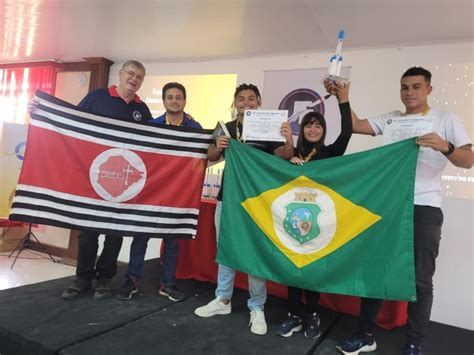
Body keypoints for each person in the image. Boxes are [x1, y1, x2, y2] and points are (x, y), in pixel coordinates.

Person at [325, 67, 472, 355]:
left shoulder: (445, 119)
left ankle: (414, 342)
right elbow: (354, 125)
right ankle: (365, 334)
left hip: (424, 208)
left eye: (416, 86)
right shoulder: (391, 119)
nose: (410, 92)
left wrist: (446, 146)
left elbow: (468, 160)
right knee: (375, 272)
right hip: (387, 206)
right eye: (405, 87)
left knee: (419, 279)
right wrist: (343, 97)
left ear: (428, 89)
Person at [194, 83, 294, 335]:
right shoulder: (225, 127)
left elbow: (284, 155)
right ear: (235, 103)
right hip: (227, 198)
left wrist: (289, 138)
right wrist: (219, 145)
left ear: (258, 102)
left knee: (254, 254)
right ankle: (223, 300)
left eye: (251, 98)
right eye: (241, 99)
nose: (246, 102)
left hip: (257, 202)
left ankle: (257, 306)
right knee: (226, 250)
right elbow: (211, 156)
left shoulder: (269, 127)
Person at [61, 60, 153, 300]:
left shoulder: (142, 110)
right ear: (120, 74)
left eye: (139, 77)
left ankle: (104, 279)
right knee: (88, 232)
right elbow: (72, 122)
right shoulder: (97, 97)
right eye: (131, 74)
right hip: (94, 177)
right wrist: (40, 111)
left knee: (115, 232)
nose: (134, 79)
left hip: (124, 181)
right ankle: (82, 278)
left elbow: (154, 144)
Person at [276, 83, 352, 339]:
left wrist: (344, 100)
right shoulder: (292, 153)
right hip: (293, 220)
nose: (313, 128)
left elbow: (348, 131)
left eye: (318, 125)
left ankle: (312, 314)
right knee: (294, 268)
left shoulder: (331, 153)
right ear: (303, 128)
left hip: (320, 222)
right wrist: (289, 161)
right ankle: (294, 316)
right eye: (309, 124)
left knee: (314, 270)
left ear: (323, 130)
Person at [117, 82, 202, 302]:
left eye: (178, 97)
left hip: (178, 193)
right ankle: (132, 279)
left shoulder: (194, 128)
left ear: (185, 100)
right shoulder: (151, 125)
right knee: (140, 235)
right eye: (170, 97)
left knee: (172, 240)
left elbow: (202, 158)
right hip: (151, 190)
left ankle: (168, 283)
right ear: (164, 101)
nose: (174, 100)